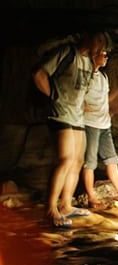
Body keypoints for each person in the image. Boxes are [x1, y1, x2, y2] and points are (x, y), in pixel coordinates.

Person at [32, 28, 108, 228]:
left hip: (77, 116)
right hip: (61, 114)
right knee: (65, 159)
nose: (101, 48)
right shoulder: (68, 53)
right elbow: (40, 74)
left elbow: (84, 87)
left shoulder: (89, 62)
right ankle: (50, 208)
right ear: (88, 38)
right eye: (98, 43)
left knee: (77, 161)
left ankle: (65, 204)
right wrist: (54, 97)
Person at [82, 48, 118, 208]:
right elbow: (78, 97)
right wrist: (83, 107)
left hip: (104, 124)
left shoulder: (103, 77)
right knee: (90, 162)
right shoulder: (85, 77)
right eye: (103, 54)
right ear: (93, 56)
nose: (106, 57)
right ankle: (91, 196)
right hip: (90, 123)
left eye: (106, 54)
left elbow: (105, 98)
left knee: (112, 159)